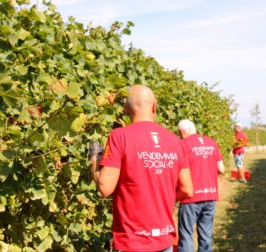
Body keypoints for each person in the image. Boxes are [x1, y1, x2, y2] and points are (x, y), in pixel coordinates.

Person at [90, 85, 194, 251]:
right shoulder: (176, 141)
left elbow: (105, 188)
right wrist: (160, 198)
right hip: (164, 239)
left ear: (125, 109)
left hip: (131, 242)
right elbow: (187, 190)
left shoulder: (119, 136)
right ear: (154, 107)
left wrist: (94, 160)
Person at [176, 119, 225, 252]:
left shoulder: (182, 145)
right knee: (206, 234)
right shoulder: (211, 142)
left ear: (182, 131)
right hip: (210, 195)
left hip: (190, 198)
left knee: (186, 235)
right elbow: (221, 169)